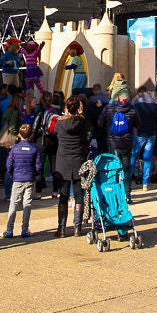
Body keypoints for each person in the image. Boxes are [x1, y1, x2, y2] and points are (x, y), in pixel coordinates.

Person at [51, 95, 94, 237]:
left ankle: (61, 228)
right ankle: (77, 227)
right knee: (78, 194)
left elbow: (53, 134)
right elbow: (88, 138)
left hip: (63, 160)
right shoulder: (83, 123)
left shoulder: (59, 123)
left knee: (63, 195)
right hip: (78, 159)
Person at [3, 122, 39, 239]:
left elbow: (9, 164)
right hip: (29, 178)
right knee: (27, 203)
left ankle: (9, 230)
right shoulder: (34, 148)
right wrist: (35, 173)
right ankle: (24, 229)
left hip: (17, 178)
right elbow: (38, 165)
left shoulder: (15, 149)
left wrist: (12, 175)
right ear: (31, 135)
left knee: (13, 203)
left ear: (19, 134)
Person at [100, 90, 135, 180]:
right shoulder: (132, 109)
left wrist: (108, 127)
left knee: (114, 167)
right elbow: (138, 124)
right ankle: (127, 192)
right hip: (127, 143)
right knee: (126, 168)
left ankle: (116, 191)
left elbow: (100, 123)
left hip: (113, 143)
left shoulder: (108, 108)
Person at [131, 84, 157, 189]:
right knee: (147, 158)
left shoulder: (136, 102)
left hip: (138, 133)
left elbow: (131, 116)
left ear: (139, 93)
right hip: (151, 133)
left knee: (133, 156)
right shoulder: (156, 102)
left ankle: (128, 181)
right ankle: (145, 183)